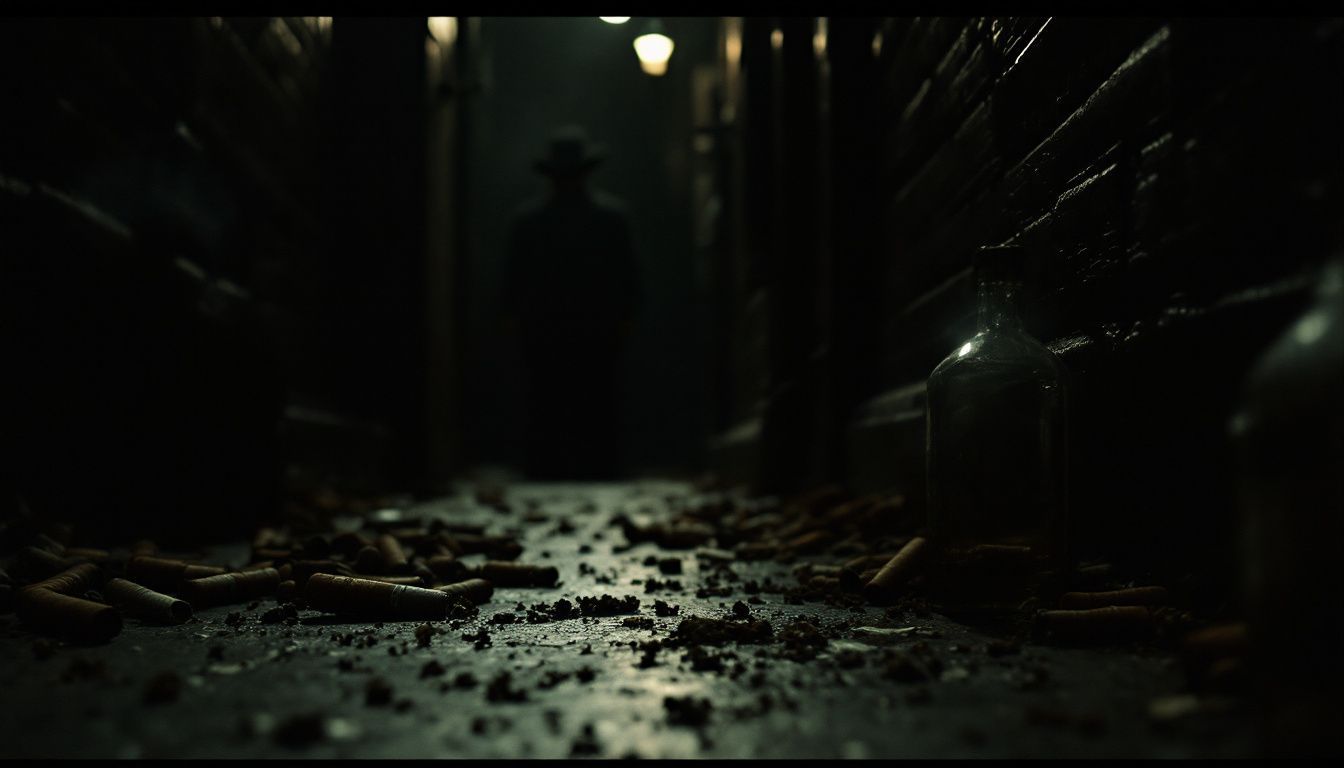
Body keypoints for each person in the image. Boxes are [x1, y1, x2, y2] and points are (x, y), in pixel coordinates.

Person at [502, 125, 640, 480]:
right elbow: (629, 278)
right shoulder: (610, 219)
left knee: (566, 401)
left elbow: (628, 277)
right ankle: (583, 468)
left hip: (568, 327)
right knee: (570, 402)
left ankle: (562, 468)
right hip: (574, 327)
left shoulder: (531, 222)